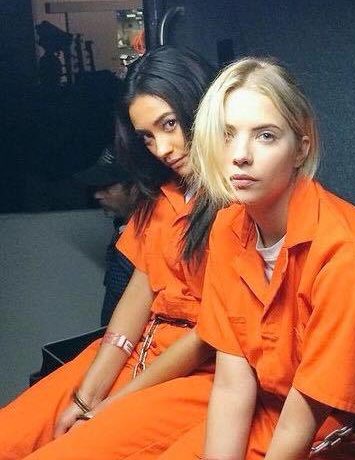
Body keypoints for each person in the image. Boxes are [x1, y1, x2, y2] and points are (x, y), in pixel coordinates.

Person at [157, 57, 355, 459]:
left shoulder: (350, 260)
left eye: (265, 136)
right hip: (276, 409)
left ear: (301, 148)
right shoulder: (228, 228)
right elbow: (232, 384)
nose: (240, 155)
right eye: (226, 135)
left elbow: (306, 417)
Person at [0, 46, 217, 460]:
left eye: (169, 124)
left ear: (201, 107)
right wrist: (87, 395)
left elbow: (208, 335)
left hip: (198, 371)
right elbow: (140, 292)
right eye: (147, 136)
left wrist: (108, 408)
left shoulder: (244, 197)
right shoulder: (164, 194)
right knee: (9, 435)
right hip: (139, 347)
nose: (162, 148)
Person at [74, 146, 137, 325]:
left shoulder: (151, 239)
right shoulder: (121, 229)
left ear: (136, 187)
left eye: (107, 187)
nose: (97, 195)